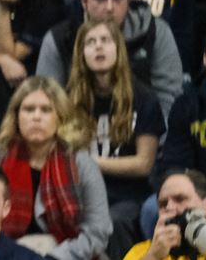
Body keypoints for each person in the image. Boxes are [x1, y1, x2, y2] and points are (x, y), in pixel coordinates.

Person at [0, 76, 112, 260]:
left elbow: (98, 232)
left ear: (60, 117)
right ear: (16, 116)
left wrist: (53, 257)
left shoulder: (81, 163)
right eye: (28, 109)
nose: (36, 116)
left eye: (46, 110)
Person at [66, 20, 165, 257]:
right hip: (80, 191)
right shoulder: (68, 99)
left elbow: (144, 164)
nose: (98, 47)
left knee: (113, 222)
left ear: (118, 49)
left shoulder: (143, 98)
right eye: (91, 42)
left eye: (105, 41)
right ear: (81, 53)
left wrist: (91, 162)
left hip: (127, 195)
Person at [36, 0, 183, 119]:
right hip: (77, 133)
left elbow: (169, 98)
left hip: (144, 133)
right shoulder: (59, 38)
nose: (109, 7)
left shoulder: (154, 31)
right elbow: (47, 102)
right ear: (84, 1)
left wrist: (155, 137)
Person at [159, 23, 206, 197]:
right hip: (196, 194)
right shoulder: (185, 104)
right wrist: (200, 192)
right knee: (150, 210)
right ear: (204, 59)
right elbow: (174, 166)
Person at [123, 170, 206, 260]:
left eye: (180, 199)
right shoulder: (141, 252)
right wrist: (153, 256)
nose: (169, 207)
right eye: (163, 204)